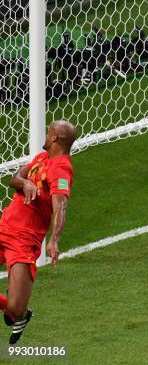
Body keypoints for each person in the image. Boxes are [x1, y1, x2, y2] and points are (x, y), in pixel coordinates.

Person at [0, 121, 76, 344]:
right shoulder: (41, 159)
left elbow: (60, 205)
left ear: (54, 139)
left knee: (13, 309)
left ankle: (22, 315)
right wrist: (24, 184)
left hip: (24, 241)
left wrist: (54, 240)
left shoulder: (61, 168)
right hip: (4, 227)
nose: (45, 134)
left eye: (49, 131)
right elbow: (14, 178)